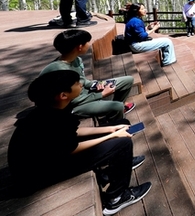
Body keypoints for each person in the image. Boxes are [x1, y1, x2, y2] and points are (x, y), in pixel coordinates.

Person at [8, 70, 152, 215]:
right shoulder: (50, 119)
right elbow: (72, 148)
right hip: (40, 175)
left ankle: (108, 173)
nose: (81, 85)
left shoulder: (56, 107)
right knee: (123, 143)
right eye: (77, 83)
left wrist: (111, 129)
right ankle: (117, 198)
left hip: (54, 157)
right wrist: (112, 136)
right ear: (63, 95)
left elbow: (73, 132)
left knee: (122, 124)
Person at [39, 29, 135, 124]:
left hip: (83, 93)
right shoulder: (60, 71)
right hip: (71, 106)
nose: (89, 44)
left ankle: (112, 116)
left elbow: (83, 80)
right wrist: (101, 94)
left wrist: (96, 84)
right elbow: (72, 100)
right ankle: (114, 123)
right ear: (80, 47)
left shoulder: (76, 59)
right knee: (117, 106)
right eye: (88, 42)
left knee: (128, 80)